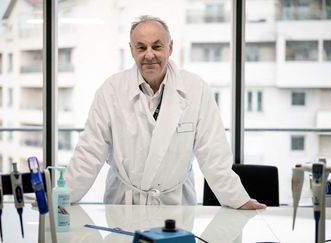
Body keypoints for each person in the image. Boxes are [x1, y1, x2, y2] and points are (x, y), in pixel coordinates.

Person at [65, 15, 266, 209]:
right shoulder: (111, 91)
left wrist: (238, 199)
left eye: (157, 46)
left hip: (175, 204)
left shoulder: (196, 89)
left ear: (170, 47)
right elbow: (89, 153)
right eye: (141, 47)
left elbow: (213, 153)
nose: (149, 54)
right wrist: (62, 196)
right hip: (124, 204)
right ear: (131, 50)